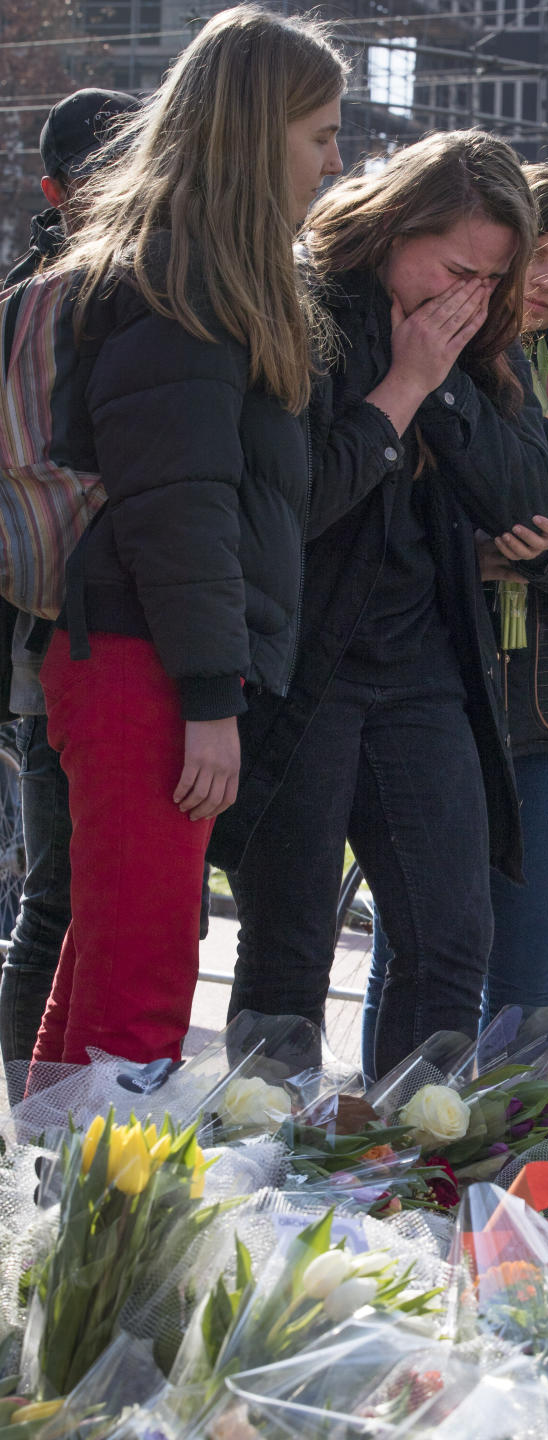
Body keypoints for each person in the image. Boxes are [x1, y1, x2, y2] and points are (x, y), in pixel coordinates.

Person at [27, 4, 347, 1069]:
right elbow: (182, 505)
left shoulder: (187, 271)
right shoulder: (185, 283)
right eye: (320, 134)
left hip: (131, 651)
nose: (334, 160)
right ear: (259, 135)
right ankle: (105, 1227)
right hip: (142, 663)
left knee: (108, 967)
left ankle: (53, 1215)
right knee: (141, 994)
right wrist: (211, 697)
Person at [211, 131, 548, 1081]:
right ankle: (266, 1181)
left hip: (421, 674)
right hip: (304, 672)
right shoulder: (307, 308)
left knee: (452, 939)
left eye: (491, 280)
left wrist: (440, 379)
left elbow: (530, 494)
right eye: (455, 269)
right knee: (290, 946)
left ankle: (410, 1179)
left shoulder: (476, 347)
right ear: (394, 228)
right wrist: (402, 387)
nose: (469, 299)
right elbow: (297, 507)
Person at [357, 165, 548, 1078]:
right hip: (435, 681)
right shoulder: (435, 358)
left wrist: (545, 558)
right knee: (418, 951)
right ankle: (387, 1143)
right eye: (537, 256)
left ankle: (502, 1173)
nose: (546, 283)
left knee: (524, 983)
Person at [0, 88, 141, 1086]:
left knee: (94, 896)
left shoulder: (162, 287)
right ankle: (25, 1136)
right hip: (53, 634)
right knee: (56, 896)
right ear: (56, 193)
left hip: (122, 628)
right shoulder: (36, 297)